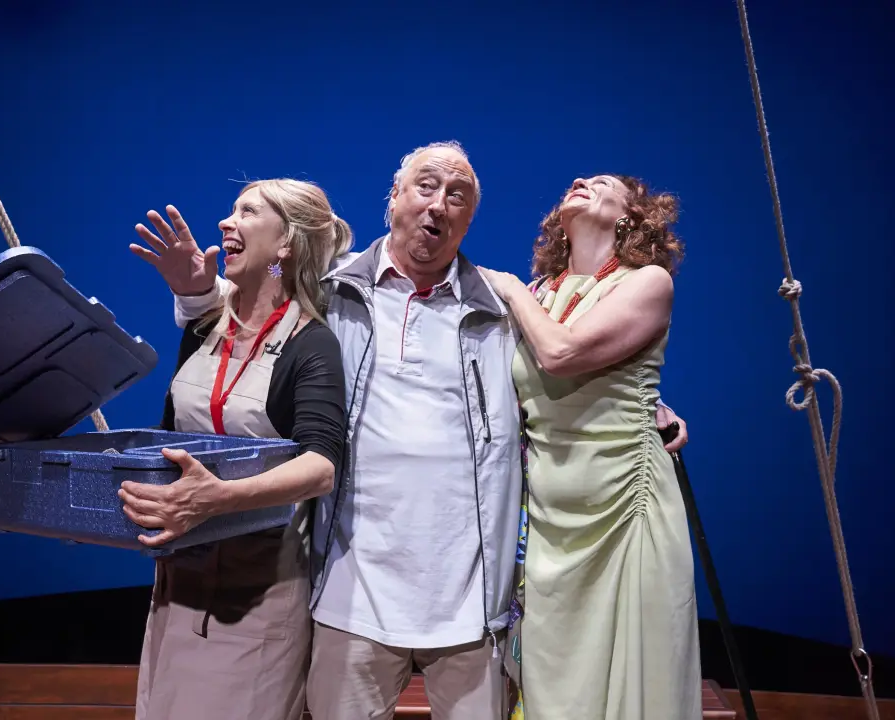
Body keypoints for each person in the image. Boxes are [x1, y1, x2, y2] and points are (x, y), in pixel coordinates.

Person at [169, 142, 690, 720]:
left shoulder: (504, 308)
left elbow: (567, 375)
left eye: (457, 196)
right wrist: (202, 290)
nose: (439, 204)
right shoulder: (333, 292)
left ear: (468, 221)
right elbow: (266, 287)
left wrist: (649, 407)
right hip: (352, 598)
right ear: (393, 198)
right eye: (426, 187)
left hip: (471, 608)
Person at [120, 179, 353, 720]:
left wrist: (218, 498)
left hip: (258, 598)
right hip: (177, 587)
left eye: (248, 212)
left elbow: (321, 467)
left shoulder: (311, 344)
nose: (227, 222)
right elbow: (169, 436)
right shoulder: (204, 327)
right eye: (231, 210)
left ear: (286, 244)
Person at [479, 173, 702, 720]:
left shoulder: (646, 281)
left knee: (631, 676)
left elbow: (562, 354)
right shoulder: (541, 292)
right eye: (578, 181)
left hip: (623, 505)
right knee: (556, 678)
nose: (579, 181)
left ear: (631, 216)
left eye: (601, 183)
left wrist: (508, 288)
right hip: (550, 515)